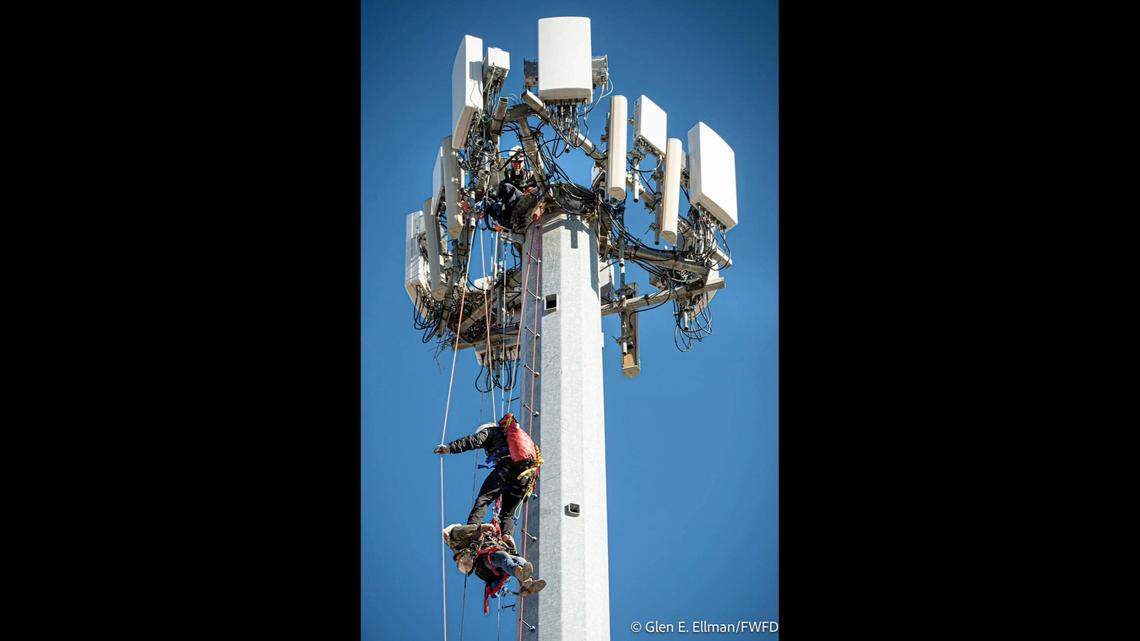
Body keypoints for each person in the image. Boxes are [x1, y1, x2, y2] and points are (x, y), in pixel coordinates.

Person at [434, 413, 536, 554]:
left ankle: (473, 527)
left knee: (484, 499)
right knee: (507, 513)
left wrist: (449, 448)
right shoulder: (510, 436)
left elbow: (473, 441)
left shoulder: (490, 432)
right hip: (526, 475)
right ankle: (507, 536)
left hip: (506, 467)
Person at [443, 522, 547, 613]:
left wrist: (511, 546)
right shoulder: (459, 546)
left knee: (520, 560)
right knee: (503, 557)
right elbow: (465, 562)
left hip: (497, 567)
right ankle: (519, 574)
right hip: (484, 564)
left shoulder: (483, 539)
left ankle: (528, 583)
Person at [490, 146, 539, 229]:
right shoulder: (506, 177)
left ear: (524, 161)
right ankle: (512, 217)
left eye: (520, 162)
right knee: (506, 187)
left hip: (527, 202)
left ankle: (515, 217)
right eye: (514, 162)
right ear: (511, 162)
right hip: (512, 206)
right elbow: (498, 195)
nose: (517, 165)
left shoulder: (531, 175)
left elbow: (540, 189)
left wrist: (530, 189)